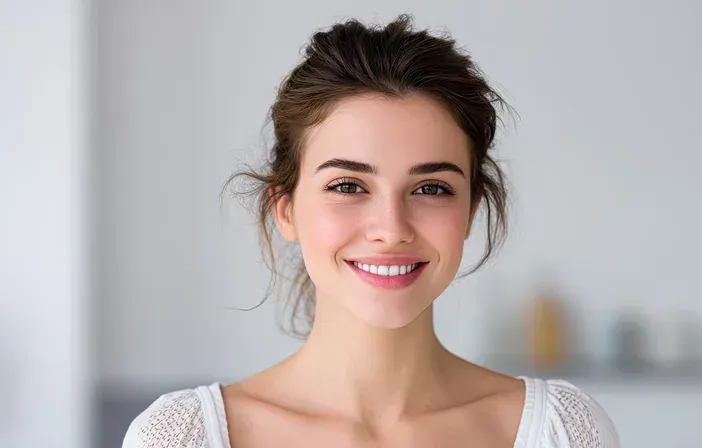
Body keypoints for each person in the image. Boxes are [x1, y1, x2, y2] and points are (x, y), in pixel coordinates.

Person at [122, 14, 618, 448]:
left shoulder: (562, 433)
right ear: (286, 209)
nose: (391, 228)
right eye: (347, 185)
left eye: (431, 189)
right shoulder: (185, 436)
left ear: (471, 211)